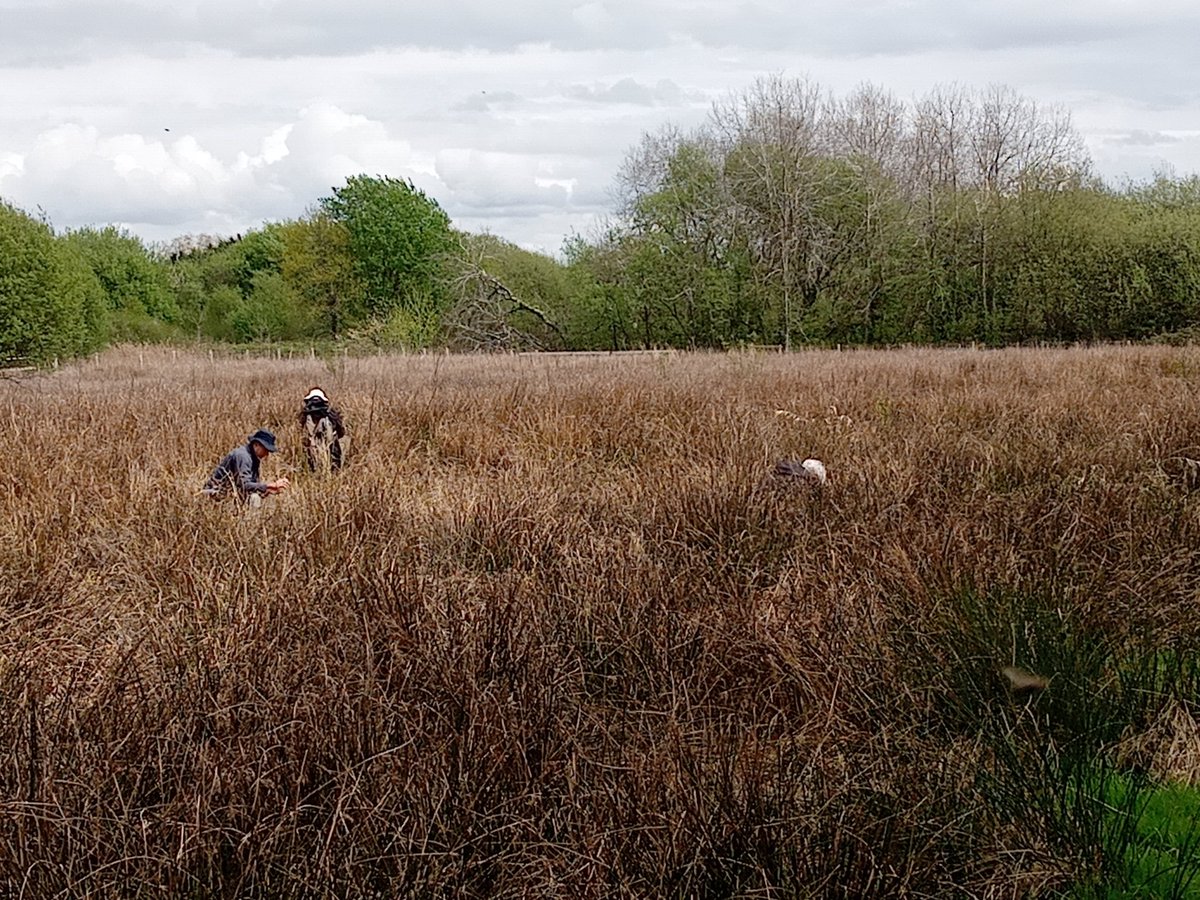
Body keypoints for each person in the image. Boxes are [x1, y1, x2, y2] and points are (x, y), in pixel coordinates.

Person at [202, 428, 290, 506]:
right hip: (215, 493)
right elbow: (244, 485)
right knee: (254, 498)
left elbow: (250, 487)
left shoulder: (253, 458)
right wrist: (269, 485)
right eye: (266, 449)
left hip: (229, 493)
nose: (267, 454)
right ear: (256, 445)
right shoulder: (243, 456)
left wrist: (268, 490)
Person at [298, 387, 347, 473]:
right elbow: (341, 433)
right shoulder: (331, 415)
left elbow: (301, 435)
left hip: (311, 454)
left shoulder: (304, 416)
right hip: (331, 453)